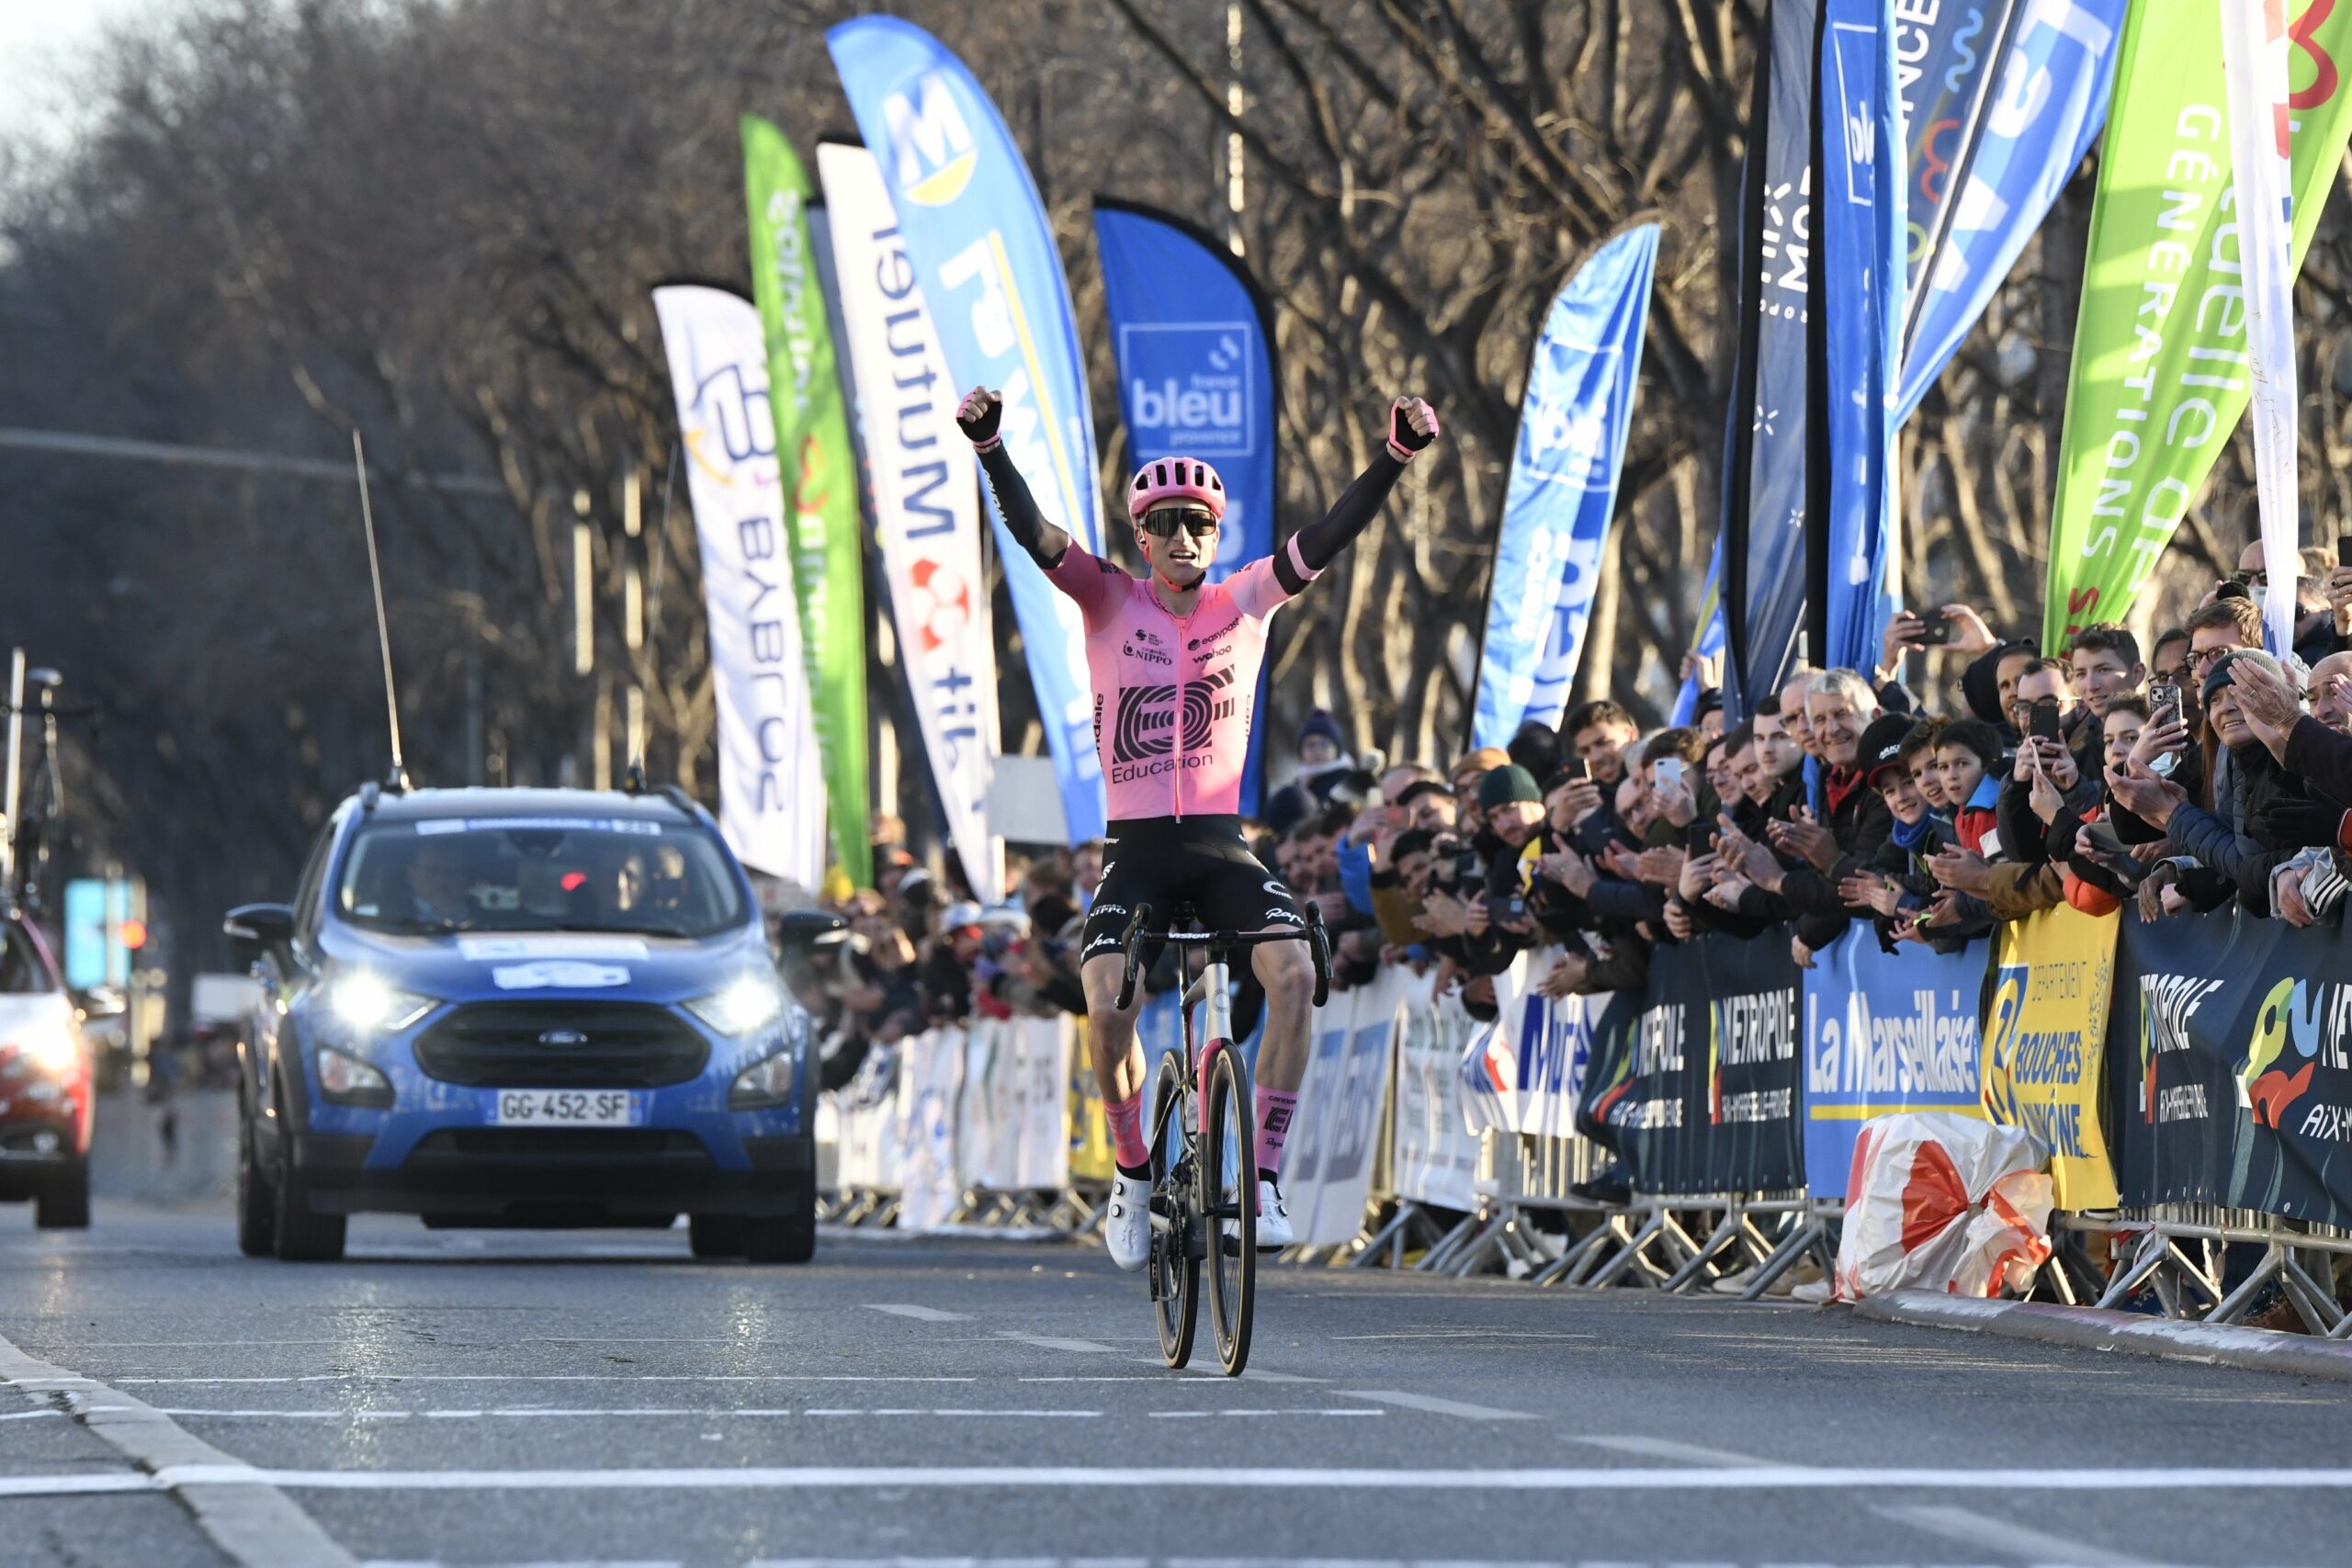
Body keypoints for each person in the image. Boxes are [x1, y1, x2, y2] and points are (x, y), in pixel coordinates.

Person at [957, 382, 1440, 1268]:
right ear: (1143, 538)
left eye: (1200, 524)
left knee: (1293, 973)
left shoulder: (1245, 601)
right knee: (1108, 1008)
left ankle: (1259, 1176)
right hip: (1135, 850)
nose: (1186, 537)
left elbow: (1328, 536)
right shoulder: (1106, 598)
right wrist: (991, 449)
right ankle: (1134, 1173)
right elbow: (1037, 537)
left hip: (1221, 843)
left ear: (1216, 536)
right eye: (1168, 523)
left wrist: (1396, 457)